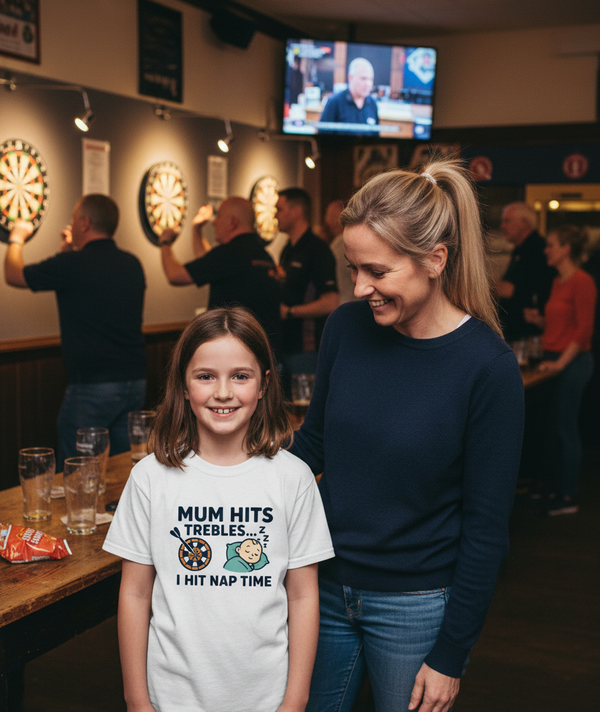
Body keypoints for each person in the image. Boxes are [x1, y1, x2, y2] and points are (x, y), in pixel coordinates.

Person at [289, 161, 524, 712]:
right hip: (320, 585)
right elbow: (313, 444)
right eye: (353, 268)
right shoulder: (346, 328)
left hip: (415, 605)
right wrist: (227, 475)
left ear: (435, 260)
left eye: (377, 271)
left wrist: (451, 654)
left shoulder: (487, 367)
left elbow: (487, 529)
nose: (359, 287)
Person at [102, 307, 334, 712]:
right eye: (206, 376)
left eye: (240, 376)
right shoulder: (150, 478)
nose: (223, 392)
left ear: (263, 385)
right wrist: (136, 699)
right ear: (184, 384)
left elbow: (302, 596)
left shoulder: (293, 478)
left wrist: (295, 700)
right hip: (170, 696)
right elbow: (136, 593)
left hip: (267, 697)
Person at [4, 195, 146, 470]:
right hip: (134, 381)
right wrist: (67, 252)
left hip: (93, 384)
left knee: (79, 469)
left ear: (85, 222)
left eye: (73, 219)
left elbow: (13, 273)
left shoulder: (71, 266)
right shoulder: (132, 263)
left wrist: (17, 237)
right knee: (124, 466)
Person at [524, 225, 596, 515]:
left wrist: (560, 364)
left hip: (573, 362)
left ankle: (567, 497)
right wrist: (540, 321)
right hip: (553, 360)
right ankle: (552, 486)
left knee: (566, 429)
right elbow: (561, 326)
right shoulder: (558, 282)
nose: (546, 249)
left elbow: (584, 330)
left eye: (551, 244)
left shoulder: (583, 281)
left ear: (566, 249)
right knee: (551, 428)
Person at [158, 197, 281, 352]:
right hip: (264, 350)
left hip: (235, 350)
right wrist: (196, 230)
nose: (214, 222)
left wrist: (165, 243)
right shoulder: (263, 254)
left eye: (219, 216)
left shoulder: (230, 253)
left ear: (233, 222)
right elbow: (208, 264)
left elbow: (175, 275)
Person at [276, 188, 338, 374]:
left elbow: (331, 302)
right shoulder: (287, 249)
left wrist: (289, 312)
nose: (275, 215)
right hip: (283, 345)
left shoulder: (318, 250)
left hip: (307, 349)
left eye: (279, 209)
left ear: (296, 212)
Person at [496, 201, 554, 341]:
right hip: (517, 329)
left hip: (528, 333)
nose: (502, 226)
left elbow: (515, 290)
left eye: (507, 221)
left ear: (523, 223)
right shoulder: (519, 249)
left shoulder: (536, 249)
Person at [319, 58, 379, 131]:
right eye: (363, 78)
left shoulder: (372, 104)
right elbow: (323, 135)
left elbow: (376, 135)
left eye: (370, 79)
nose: (368, 84)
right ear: (350, 77)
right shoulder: (334, 102)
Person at [324, 199, 358, 305]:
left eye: (329, 215)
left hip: (347, 303)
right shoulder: (337, 243)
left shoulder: (343, 244)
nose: (326, 219)